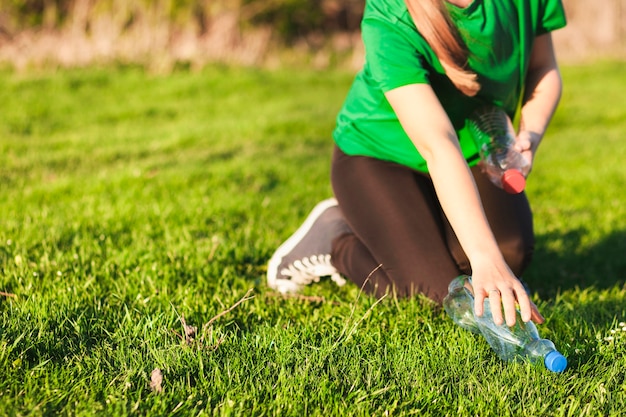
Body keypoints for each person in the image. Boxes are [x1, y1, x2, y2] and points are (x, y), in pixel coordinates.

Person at [267, 0, 566, 327]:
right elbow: (438, 144)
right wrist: (485, 258)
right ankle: (335, 239)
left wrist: (529, 136)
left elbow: (543, 67)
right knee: (439, 294)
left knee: (511, 252)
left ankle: (423, 237)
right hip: (379, 156)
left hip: (471, 154)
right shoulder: (390, 14)